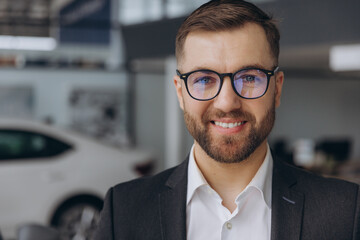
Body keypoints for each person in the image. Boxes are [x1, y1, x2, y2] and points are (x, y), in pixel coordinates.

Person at [94, 0, 360, 239]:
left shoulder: (344, 212)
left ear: (277, 89)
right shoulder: (125, 210)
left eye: (249, 78)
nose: (227, 103)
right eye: (204, 80)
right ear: (180, 92)